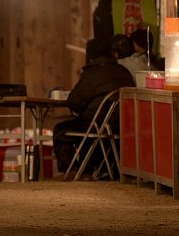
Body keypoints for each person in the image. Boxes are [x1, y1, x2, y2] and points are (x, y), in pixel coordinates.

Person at [54, 38, 135, 173]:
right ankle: (90, 169)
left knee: (60, 130)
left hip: (96, 126)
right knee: (88, 128)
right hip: (122, 126)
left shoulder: (92, 74)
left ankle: (72, 171)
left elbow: (73, 103)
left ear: (90, 55)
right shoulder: (124, 72)